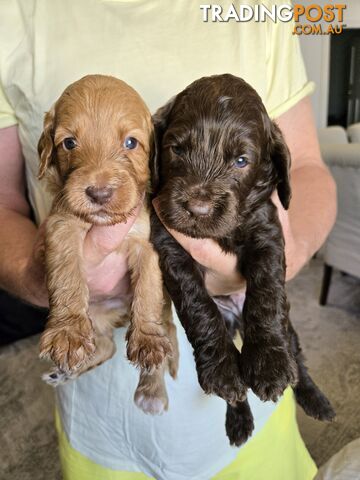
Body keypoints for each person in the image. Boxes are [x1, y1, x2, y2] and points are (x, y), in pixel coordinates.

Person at [0, 1, 336, 479]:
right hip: (100, 426)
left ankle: (258, 397)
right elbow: (3, 204)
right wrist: (53, 285)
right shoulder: (13, 12)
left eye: (131, 144)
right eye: (71, 143)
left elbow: (305, 168)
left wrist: (271, 265)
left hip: (257, 423)